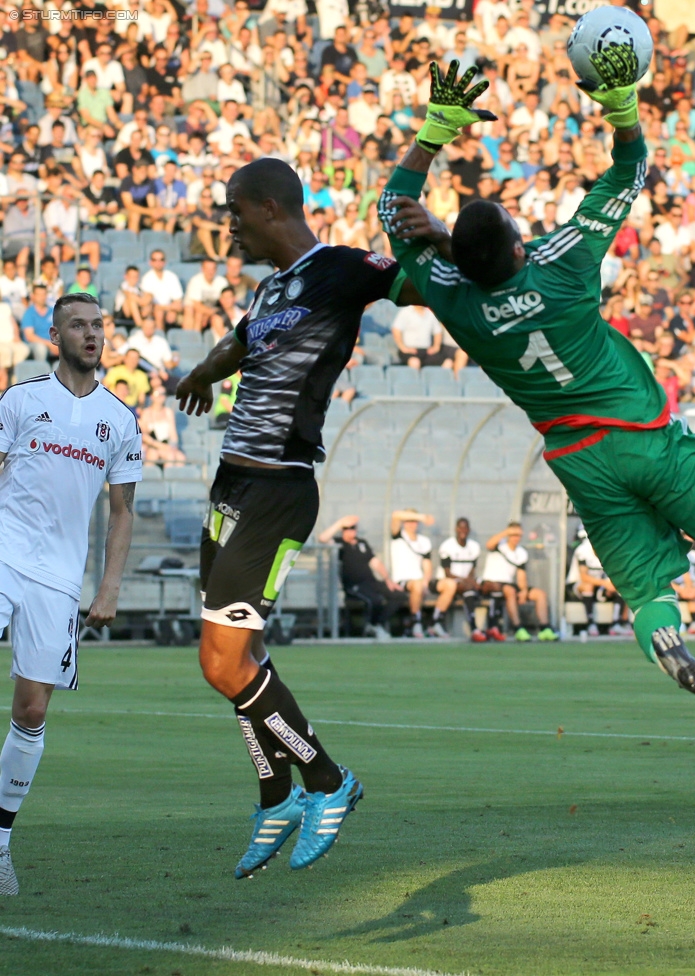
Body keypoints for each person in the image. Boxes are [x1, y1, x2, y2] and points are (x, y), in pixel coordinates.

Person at [380, 57, 695, 735]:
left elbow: (390, 210)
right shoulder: (564, 265)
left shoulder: (451, 298)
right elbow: (629, 170)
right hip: (644, 437)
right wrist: (620, 106)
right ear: (520, 246)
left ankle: (669, 648)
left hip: (578, 457)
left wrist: (433, 132)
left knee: (646, 593)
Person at [174, 156, 423, 880]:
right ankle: (274, 796)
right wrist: (200, 373)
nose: (229, 225)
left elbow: (415, 287)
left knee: (220, 664)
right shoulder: (272, 288)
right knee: (239, 662)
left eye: (235, 212)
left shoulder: (342, 269)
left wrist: (431, 234)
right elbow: (241, 342)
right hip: (232, 486)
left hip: (280, 490)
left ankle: (328, 780)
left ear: (270, 208)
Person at [0, 293, 141, 895]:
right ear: (55, 336)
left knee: (31, 713)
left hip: (60, 579)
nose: (91, 334)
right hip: (4, 554)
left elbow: (123, 510)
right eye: (78, 326)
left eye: (97, 325)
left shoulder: (121, 419)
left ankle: (0, 842)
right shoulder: (21, 400)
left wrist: (108, 586)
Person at [320, 515, 403, 641]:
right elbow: (322, 538)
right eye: (346, 528)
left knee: (399, 595)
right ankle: (375, 626)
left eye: (352, 528)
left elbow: (375, 563)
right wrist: (340, 522)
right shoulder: (339, 544)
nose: (350, 531)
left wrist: (388, 580)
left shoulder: (362, 543)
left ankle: (375, 624)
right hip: (355, 585)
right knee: (374, 600)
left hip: (371, 582)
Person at [480, 521, 555, 642]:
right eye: (513, 535)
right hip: (492, 583)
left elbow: (521, 575)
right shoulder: (500, 545)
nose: (516, 538)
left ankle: (544, 628)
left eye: (518, 535)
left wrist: (524, 591)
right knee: (510, 591)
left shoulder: (521, 553)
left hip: (509, 584)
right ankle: (518, 628)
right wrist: (507, 531)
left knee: (539, 594)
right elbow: (489, 544)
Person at [390, 508, 457, 639]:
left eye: (414, 521)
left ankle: (436, 622)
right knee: (417, 585)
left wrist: (426, 582)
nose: (411, 524)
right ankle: (416, 622)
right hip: (403, 581)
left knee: (450, 584)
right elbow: (395, 515)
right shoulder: (398, 536)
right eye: (408, 520)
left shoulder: (424, 541)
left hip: (420, 580)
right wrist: (422, 517)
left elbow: (427, 565)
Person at [438, 517, 483, 641]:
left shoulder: (474, 547)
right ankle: (474, 628)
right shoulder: (447, 546)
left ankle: (485, 628)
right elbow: (448, 573)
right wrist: (468, 581)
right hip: (448, 582)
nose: (463, 530)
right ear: (456, 529)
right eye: (460, 527)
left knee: (482, 587)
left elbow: (472, 570)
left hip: (465, 583)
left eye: (465, 527)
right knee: (468, 588)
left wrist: (471, 581)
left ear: (469, 529)